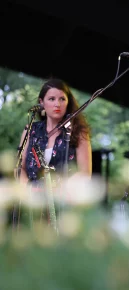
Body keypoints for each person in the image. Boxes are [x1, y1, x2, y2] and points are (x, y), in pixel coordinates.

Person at [16, 78, 92, 221]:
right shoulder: (30, 130)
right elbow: (20, 168)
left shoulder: (79, 132)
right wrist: (29, 190)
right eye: (51, 99)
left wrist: (60, 191)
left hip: (64, 208)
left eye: (62, 99)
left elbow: (84, 174)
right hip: (32, 208)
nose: (57, 104)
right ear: (41, 102)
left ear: (68, 102)